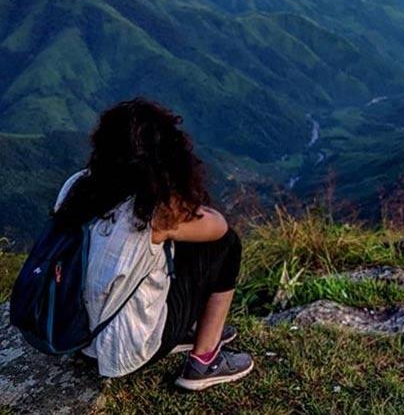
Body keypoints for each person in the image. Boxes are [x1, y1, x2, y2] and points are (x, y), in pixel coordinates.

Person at [52, 97, 254, 390]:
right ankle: (204, 360)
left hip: (73, 332)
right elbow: (219, 227)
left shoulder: (77, 185)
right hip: (125, 349)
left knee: (176, 246)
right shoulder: (152, 212)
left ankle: (186, 330)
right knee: (228, 245)